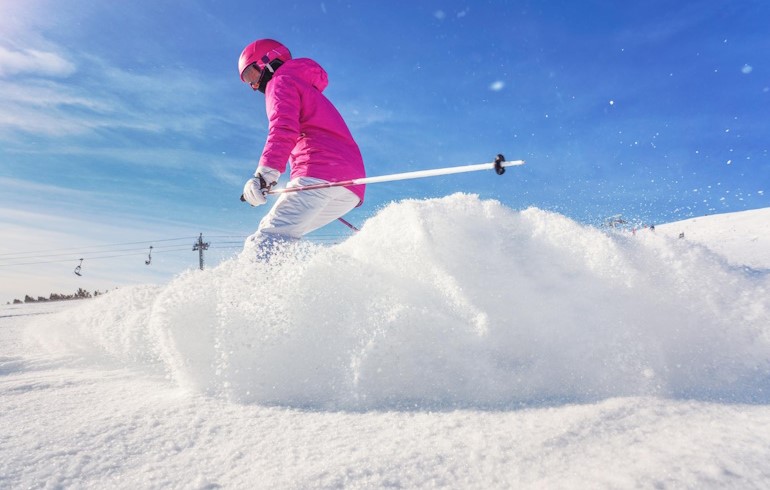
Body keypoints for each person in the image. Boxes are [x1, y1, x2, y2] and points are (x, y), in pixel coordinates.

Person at [238, 39, 366, 255]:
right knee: (282, 241)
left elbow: (283, 127)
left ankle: (249, 288)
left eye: (251, 75)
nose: (253, 86)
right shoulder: (308, 89)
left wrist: (264, 176)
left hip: (319, 174)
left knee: (266, 241)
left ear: (268, 62)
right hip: (351, 187)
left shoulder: (280, 81)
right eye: (247, 82)